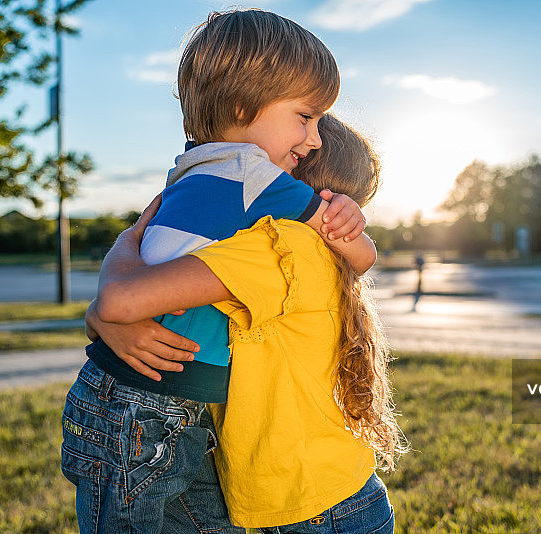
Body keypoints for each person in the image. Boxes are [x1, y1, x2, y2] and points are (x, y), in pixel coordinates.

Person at [60, 9, 375, 533]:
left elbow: (131, 284)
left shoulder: (191, 170)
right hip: (146, 405)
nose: (313, 139)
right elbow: (363, 257)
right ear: (239, 105)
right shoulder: (254, 173)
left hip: (154, 398)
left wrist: (109, 292)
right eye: (305, 117)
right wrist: (350, 224)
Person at [91, 113, 405, 532]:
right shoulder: (313, 249)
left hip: (317, 509)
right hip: (333, 494)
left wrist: (116, 269)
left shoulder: (277, 248)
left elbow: (124, 299)